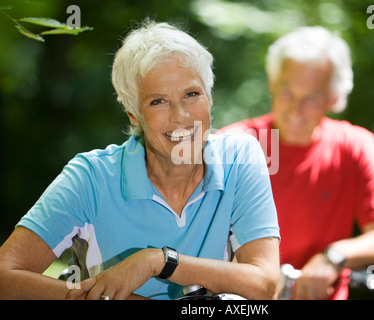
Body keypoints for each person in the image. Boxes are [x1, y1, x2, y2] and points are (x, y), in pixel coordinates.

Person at [0, 20, 280, 300]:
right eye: (158, 101)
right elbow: (4, 276)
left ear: (209, 98)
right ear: (133, 114)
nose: (180, 115)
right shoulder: (90, 177)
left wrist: (159, 261)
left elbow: (265, 284)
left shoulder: (241, 158)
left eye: (191, 94)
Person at [219, 26, 374, 300]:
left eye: (311, 97)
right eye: (286, 91)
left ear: (333, 97)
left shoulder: (354, 146)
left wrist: (333, 257)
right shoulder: (233, 143)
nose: (295, 108)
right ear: (271, 82)